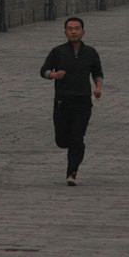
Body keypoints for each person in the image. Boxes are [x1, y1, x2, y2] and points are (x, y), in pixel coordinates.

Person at [40, 17, 104, 186]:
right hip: (62, 102)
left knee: (76, 138)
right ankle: (76, 148)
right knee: (62, 140)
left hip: (83, 102)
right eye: (70, 29)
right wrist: (54, 75)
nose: (73, 32)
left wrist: (98, 88)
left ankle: (72, 172)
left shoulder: (90, 53)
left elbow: (97, 73)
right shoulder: (58, 52)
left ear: (83, 32)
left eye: (77, 29)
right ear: (65, 32)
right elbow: (43, 71)